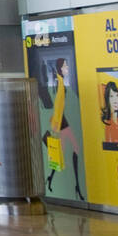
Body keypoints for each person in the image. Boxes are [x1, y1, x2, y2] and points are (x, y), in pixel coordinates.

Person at [39, 56, 83, 199]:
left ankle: (53, 178)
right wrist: (55, 127)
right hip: (60, 123)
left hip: (62, 121)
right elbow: (58, 106)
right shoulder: (59, 83)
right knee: (69, 150)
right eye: (65, 66)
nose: (67, 68)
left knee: (62, 152)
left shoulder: (61, 82)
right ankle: (75, 184)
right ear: (59, 68)